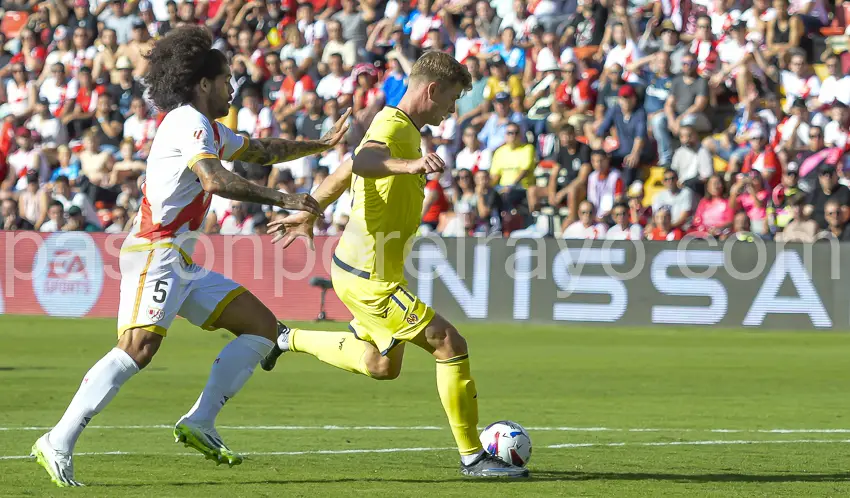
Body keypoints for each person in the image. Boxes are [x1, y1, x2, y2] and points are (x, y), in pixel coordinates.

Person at [31, 27, 351, 487]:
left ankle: (200, 421)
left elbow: (262, 149)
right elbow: (215, 181)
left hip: (178, 258)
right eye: (225, 80)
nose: (232, 89)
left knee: (263, 329)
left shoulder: (209, 128)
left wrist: (319, 145)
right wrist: (283, 199)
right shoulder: (188, 122)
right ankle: (57, 440)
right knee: (137, 348)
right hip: (155, 251)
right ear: (203, 83)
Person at [262, 51, 528, 478]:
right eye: (451, 99)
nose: (452, 110)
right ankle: (474, 458)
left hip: (361, 270)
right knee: (449, 344)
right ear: (432, 90)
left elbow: (348, 168)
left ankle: (286, 338)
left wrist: (311, 211)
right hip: (370, 278)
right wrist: (411, 165)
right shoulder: (393, 127)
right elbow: (365, 161)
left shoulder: (400, 127)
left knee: (382, 365)